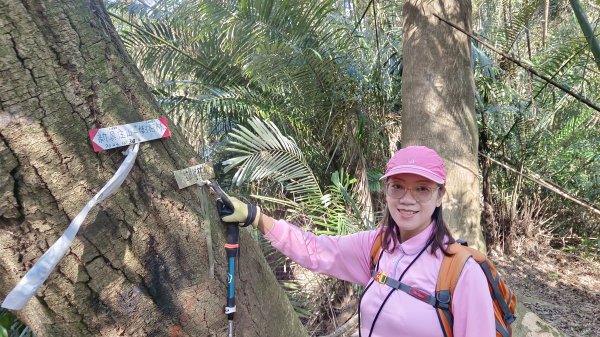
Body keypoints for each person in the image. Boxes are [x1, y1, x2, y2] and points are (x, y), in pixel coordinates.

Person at [217, 145, 495, 337]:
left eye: (422, 189)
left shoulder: (462, 273)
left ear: (439, 196)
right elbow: (315, 250)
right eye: (397, 186)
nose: (407, 199)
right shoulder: (376, 246)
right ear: (386, 190)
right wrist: (256, 217)